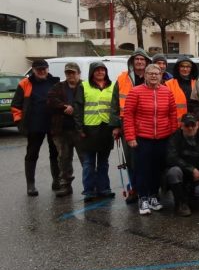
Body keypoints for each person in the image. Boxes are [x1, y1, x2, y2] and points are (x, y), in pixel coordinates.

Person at [123, 64, 178, 215]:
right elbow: (128, 116)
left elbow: (172, 114)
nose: (154, 76)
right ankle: (143, 197)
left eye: (157, 73)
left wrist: (173, 135)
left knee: (157, 169)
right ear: (145, 75)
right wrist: (130, 137)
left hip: (163, 137)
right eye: (150, 73)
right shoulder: (135, 92)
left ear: (161, 75)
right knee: (142, 169)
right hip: (142, 138)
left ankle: (153, 196)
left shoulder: (167, 92)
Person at [12, 59, 60, 196]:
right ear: (33, 70)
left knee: (55, 154)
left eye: (44, 69)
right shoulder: (24, 84)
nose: (42, 71)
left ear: (48, 69)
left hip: (53, 125)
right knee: (32, 155)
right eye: (38, 69)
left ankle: (56, 181)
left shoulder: (55, 82)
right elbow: (16, 106)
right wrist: (20, 124)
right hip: (34, 126)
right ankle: (31, 185)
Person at [110, 49, 151, 203]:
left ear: (147, 62)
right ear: (132, 62)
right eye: (137, 59)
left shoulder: (153, 78)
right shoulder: (122, 79)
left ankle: (149, 190)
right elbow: (114, 103)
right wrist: (115, 125)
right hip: (127, 123)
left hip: (147, 123)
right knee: (131, 159)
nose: (139, 62)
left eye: (142, 59)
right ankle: (134, 188)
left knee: (147, 158)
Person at [74, 62, 115, 201]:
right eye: (97, 70)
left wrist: (116, 126)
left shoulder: (113, 86)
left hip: (106, 128)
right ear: (92, 72)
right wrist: (79, 128)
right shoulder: (83, 86)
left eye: (102, 70)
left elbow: (116, 108)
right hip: (89, 129)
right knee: (89, 163)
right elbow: (78, 108)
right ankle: (89, 191)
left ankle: (104, 189)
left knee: (104, 162)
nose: (100, 72)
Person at [46, 62, 83, 197]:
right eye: (68, 73)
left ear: (79, 73)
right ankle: (65, 186)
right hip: (61, 130)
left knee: (86, 159)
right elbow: (50, 100)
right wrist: (64, 107)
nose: (70, 75)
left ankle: (91, 186)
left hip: (80, 130)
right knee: (64, 159)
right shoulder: (58, 86)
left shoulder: (85, 86)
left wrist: (74, 108)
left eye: (73, 72)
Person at [165, 113, 199, 217]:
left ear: (197, 125)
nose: (190, 128)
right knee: (173, 172)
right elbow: (171, 158)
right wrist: (191, 170)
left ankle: (190, 200)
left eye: (193, 125)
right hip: (183, 175)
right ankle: (180, 204)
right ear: (181, 126)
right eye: (187, 125)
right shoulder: (174, 138)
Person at [165, 55, 198, 123]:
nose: (185, 69)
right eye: (182, 66)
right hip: (176, 124)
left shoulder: (197, 83)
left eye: (188, 67)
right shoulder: (169, 84)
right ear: (178, 68)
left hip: (194, 124)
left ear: (191, 68)